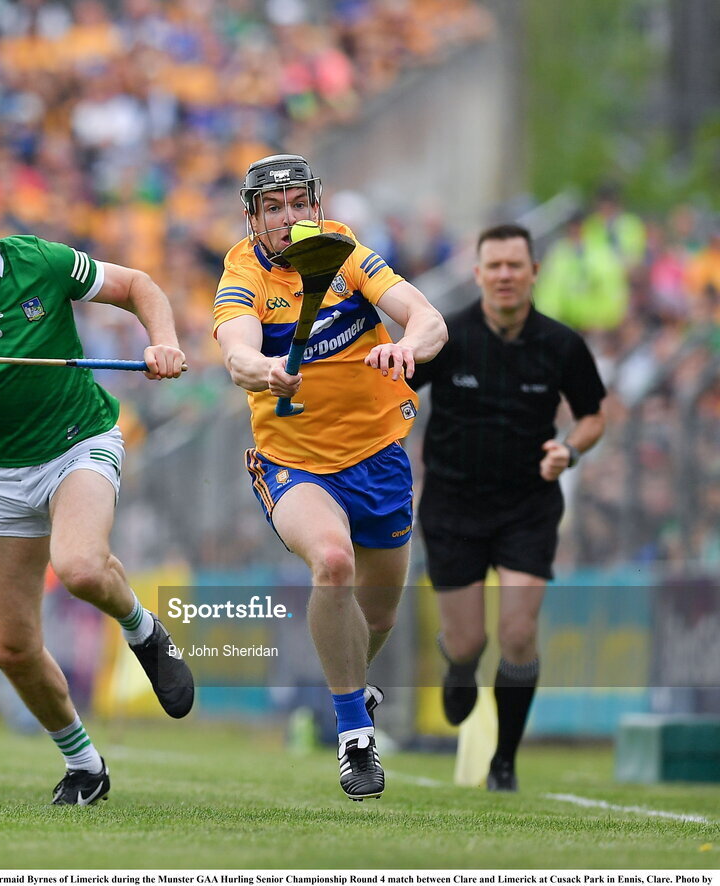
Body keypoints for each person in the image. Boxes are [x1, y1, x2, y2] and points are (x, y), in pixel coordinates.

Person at [0, 173, 193, 806]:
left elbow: (138, 285)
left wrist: (162, 341)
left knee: (79, 567)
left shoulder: (42, 262)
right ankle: (84, 765)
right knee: (11, 647)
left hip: (79, 441)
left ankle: (142, 631)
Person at [212, 153, 447, 801]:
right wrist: (264, 370)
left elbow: (427, 317)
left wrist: (406, 346)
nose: (287, 218)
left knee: (379, 617)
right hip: (292, 461)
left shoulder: (346, 253)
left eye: (297, 204)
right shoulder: (242, 274)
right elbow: (235, 351)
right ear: (253, 218)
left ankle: (347, 688)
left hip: (379, 455)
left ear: (314, 205)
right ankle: (355, 736)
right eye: (273, 208)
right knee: (333, 561)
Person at [409, 223, 607, 791]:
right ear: (477, 274)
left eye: (514, 265)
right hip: (452, 506)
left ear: (534, 272)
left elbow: (593, 416)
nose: (504, 275)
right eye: (493, 266)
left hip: (528, 506)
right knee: (468, 640)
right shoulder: (448, 337)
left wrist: (569, 450)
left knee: (519, 634)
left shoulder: (561, 344)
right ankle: (459, 663)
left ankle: (504, 763)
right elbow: (394, 394)